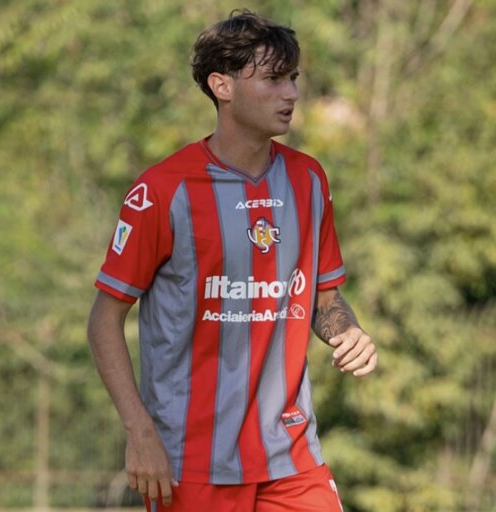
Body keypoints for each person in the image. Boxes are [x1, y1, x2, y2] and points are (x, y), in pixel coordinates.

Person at [87, 9, 377, 511]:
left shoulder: (309, 181)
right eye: (273, 79)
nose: (291, 93)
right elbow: (103, 320)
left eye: (293, 78)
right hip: (190, 464)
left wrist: (346, 331)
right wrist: (139, 430)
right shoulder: (162, 190)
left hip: (291, 458)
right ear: (222, 86)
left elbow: (323, 298)